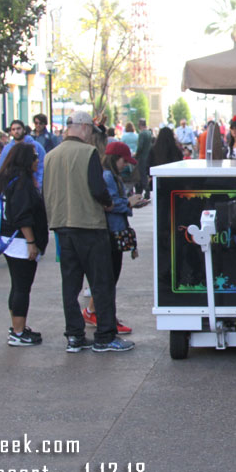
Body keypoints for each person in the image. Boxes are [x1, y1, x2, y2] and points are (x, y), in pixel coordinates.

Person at [43, 110, 134, 353]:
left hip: (62, 225)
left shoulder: (50, 155)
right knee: (101, 282)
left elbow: (46, 190)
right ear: (83, 127)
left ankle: (74, 336)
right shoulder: (88, 153)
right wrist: (108, 203)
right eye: (90, 131)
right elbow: (97, 188)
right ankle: (105, 336)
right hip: (89, 225)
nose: (91, 136)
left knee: (70, 284)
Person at [84, 141, 143, 336]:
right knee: (109, 278)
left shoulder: (109, 175)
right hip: (111, 231)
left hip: (112, 230)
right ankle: (106, 319)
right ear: (115, 159)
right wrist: (128, 202)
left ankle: (95, 312)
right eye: (124, 161)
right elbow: (109, 203)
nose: (126, 165)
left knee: (108, 278)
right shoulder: (108, 176)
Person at [0, 142, 49, 347]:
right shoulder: (23, 183)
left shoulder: (9, 179)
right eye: (34, 157)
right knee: (21, 289)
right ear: (26, 160)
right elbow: (23, 215)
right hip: (20, 242)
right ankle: (18, 332)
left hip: (11, 241)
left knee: (17, 286)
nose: (37, 161)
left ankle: (17, 327)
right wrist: (32, 242)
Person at [0, 119, 47, 188]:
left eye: (18, 128)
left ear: (24, 130)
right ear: (11, 132)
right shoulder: (7, 149)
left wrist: (39, 183)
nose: (16, 131)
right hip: (13, 187)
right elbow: (2, 168)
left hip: (33, 185)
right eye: (13, 129)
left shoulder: (36, 146)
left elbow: (42, 165)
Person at [135, 118, 154, 198]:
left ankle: (146, 191)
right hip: (148, 156)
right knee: (146, 174)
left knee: (142, 175)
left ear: (140, 125)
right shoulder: (149, 133)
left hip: (142, 157)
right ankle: (146, 191)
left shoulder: (142, 134)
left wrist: (136, 155)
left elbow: (140, 147)